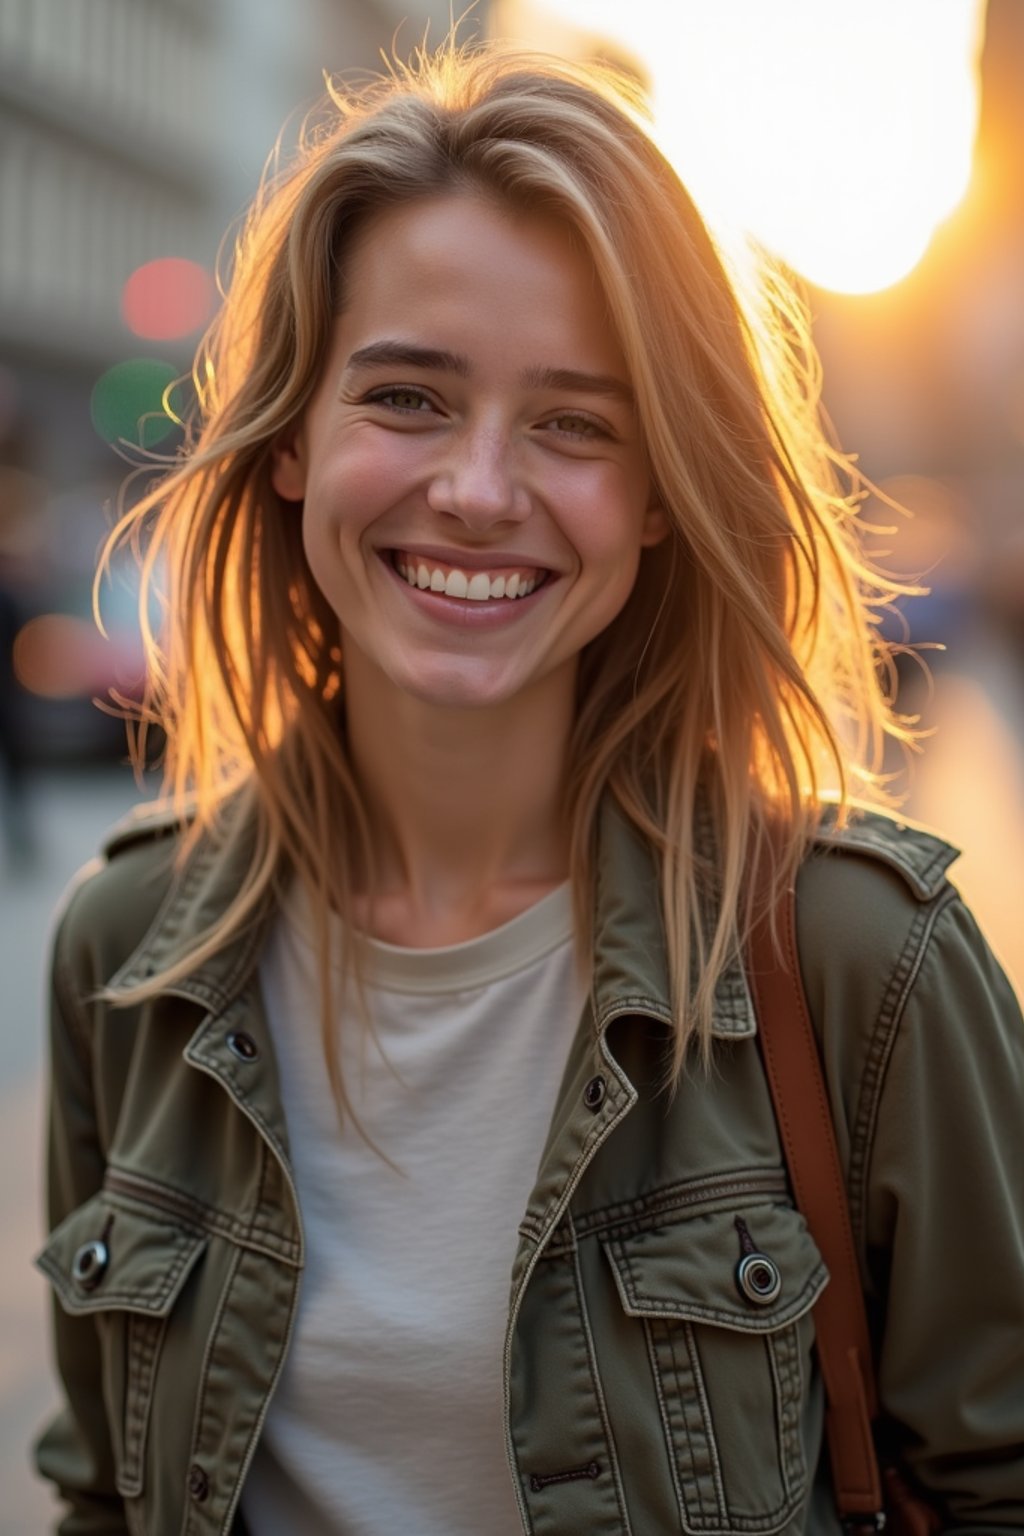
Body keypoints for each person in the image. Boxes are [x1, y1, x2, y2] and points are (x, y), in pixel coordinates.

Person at [34, 43, 1024, 1536]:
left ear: (657, 498)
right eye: (410, 397)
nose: (481, 489)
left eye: (576, 422)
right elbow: (107, 1490)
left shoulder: (862, 962)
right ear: (295, 438)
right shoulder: (128, 947)